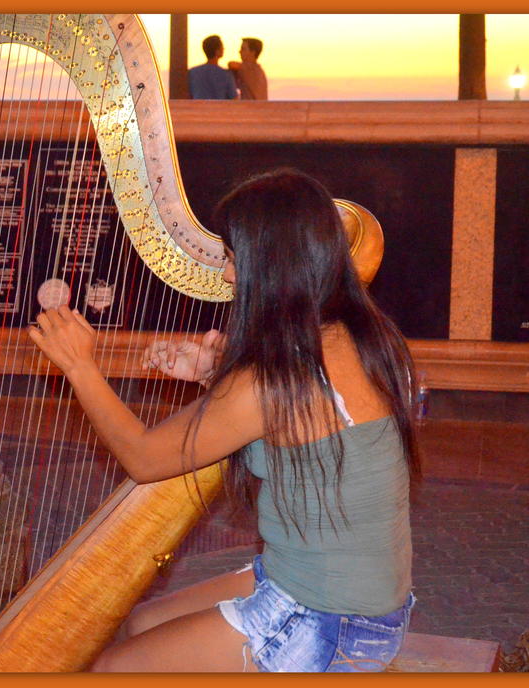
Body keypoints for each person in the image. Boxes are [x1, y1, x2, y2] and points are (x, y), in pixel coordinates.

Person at [28, 169, 420, 672]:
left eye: (235, 260)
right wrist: (213, 372)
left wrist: (80, 367)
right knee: (142, 624)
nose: (230, 277)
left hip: (326, 622)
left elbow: (144, 457)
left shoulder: (272, 379)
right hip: (356, 599)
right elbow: (303, 415)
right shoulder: (359, 336)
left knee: (111, 669)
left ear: (272, 266)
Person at [188, 35, 238, 100]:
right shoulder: (226, 74)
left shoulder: (193, 72)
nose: (224, 49)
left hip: (198, 106)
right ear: (217, 51)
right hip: (219, 106)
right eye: (222, 47)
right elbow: (234, 98)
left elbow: (188, 95)